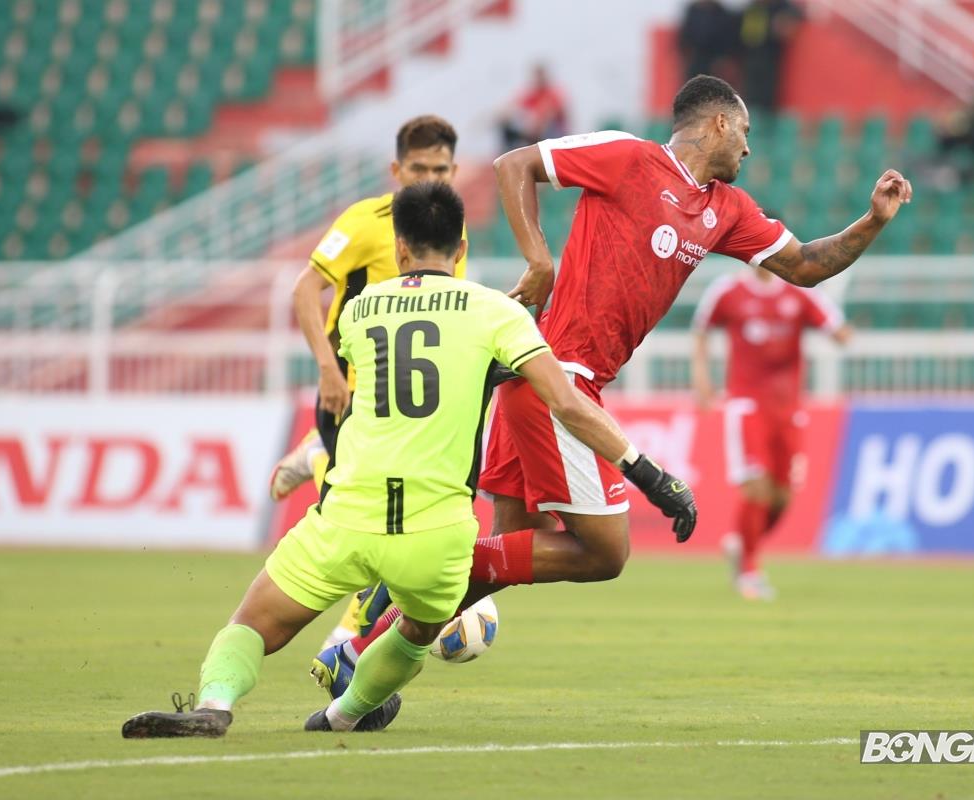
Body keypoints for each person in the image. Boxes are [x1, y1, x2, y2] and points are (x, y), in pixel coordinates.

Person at [310, 75, 911, 698]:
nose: (749, 148)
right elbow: (515, 164)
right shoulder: (627, 157)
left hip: (540, 382)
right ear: (718, 124)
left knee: (504, 553)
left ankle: (356, 651)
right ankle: (401, 597)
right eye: (745, 132)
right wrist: (540, 260)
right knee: (602, 553)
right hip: (558, 378)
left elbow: (807, 265)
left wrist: (873, 220)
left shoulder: (727, 209)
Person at [121, 183, 694, 737]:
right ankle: (343, 716)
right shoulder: (495, 312)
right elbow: (565, 403)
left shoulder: (360, 311)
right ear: (461, 248)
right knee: (418, 631)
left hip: (349, 516)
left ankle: (215, 705)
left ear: (399, 248)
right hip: (437, 531)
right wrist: (647, 473)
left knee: (252, 623)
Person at [267, 115, 467, 649]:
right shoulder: (364, 221)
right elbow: (305, 290)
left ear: (454, 170)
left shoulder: (451, 229)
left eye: (441, 169)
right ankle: (345, 641)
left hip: (409, 405)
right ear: (396, 170)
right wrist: (327, 370)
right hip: (352, 393)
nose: (431, 178)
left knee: (398, 522)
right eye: (419, 168)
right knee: (377, 522)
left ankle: (314, 458)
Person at [692, 266, 850, 599]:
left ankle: (741, 544)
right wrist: (702, 378)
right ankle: (749, 572)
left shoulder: (799, 291)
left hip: (789, 408)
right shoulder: (728, 290)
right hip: (747, 404)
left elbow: (837, 328)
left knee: (782, 497)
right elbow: (701, 330)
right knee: (756, 487)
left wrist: (839, 332)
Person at [737, 0, 803, 112]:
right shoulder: (752, 8)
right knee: (750, 97)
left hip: (773, 60)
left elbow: (796, 15)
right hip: (750, 60)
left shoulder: (781, 7)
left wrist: (785, 22)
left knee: (769, 98)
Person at [499, 64, 569, 151]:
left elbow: (549, 115)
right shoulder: (533, 93)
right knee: (508, 125)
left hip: (553, 136)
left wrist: (533, 125)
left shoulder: (553, 94)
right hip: (535, 131)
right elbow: (513, 105)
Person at [678, 0, 737, 81]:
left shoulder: (722, 13)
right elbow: (685, 35)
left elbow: (727, 39)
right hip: (695, 57)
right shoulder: (693, 10)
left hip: (715, 59)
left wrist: (722, 58)